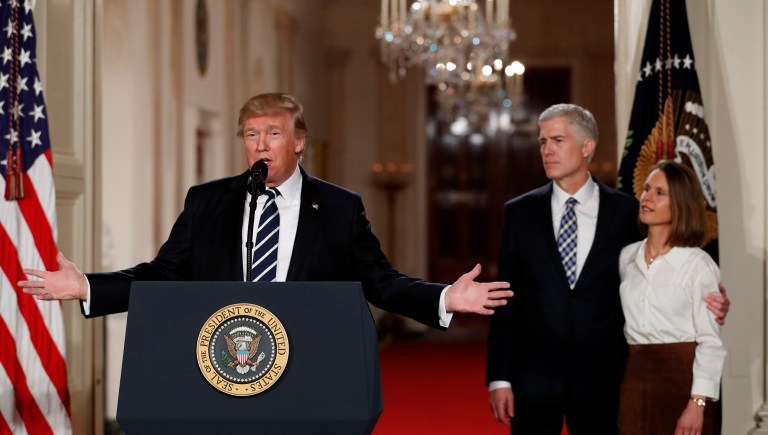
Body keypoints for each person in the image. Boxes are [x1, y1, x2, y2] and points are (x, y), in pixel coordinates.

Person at [18, 93, 513, 329]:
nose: (261, 144)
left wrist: (444, 297)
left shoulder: (339, 208)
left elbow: (379, 282)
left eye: (274, 133)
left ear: (299, 142)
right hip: (224, 360)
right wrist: (88, 287)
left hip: (309, 364)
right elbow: (163, 274)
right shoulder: (208, 201)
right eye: (251, 134)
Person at [485, 103, 729, 434]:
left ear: (587, 147)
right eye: (543, 142)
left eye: (558, 140)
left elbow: (663, 274)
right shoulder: (519, 212)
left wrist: (712, 302)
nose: (547, 150)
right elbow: (505, 299)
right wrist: (499, 377)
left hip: (606, 383)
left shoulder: (628, 212)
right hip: (534, 380)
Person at [617, 160, 725, 435]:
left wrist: (697, 403)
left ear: (680, 204)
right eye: (646, 189)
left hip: (683, 382)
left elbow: (710, 342)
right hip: (634, 380)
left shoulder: (698, 264)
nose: (647, 198)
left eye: (659, 193)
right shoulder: (627, 257)